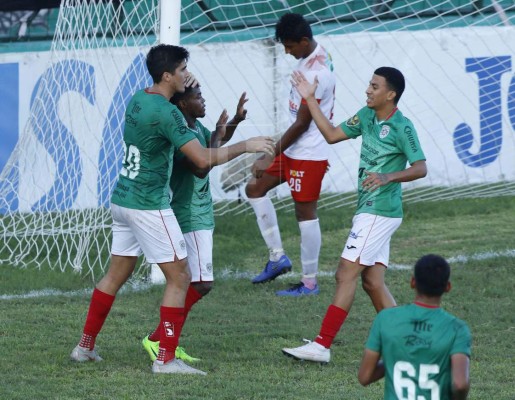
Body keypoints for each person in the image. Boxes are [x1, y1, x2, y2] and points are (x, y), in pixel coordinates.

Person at [70, 44, 274, 375]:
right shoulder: (168, 114)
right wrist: (245, 145)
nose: (187, 76)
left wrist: (182, 86)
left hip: (122, 199)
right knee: (181, 277)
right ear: (168, 76)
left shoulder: (140, 98)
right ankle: (165, 359)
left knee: (114, 276)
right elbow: (201, 160)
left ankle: (84, 347)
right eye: (182, 71)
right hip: (148, 206)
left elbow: (176, 107)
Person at [282, 66, 427, 362]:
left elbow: (420, 167)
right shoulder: (366, 115)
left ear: (391, 94)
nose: (368, 90)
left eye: (375, 87)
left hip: (379, 211)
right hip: (370, 209)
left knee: (344, 273)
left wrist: (387, 177)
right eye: (369, 85)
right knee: (372, 282)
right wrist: (311, 99)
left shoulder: (403, 126)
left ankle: (322, 345)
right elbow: (333, 135)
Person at [141, 84, 248, 362]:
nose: (203, 100)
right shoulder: (180, 137)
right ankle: (159, 339)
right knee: (200, 284)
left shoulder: (195, 129)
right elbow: (201, 166)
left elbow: (215, 143)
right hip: (189, 214)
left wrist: (234, 122)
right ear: (182, 104)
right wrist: (224, 139)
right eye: (197, 97)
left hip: (200, 213)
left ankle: (165, 339)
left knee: (195, 282)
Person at [246, 13, 336, 296]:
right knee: (255, 188)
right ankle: (277, 258)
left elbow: (302, 123)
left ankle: (309, 282)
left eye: (289, 46)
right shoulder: (312, 57)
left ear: (304, 41)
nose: (286, 51)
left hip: (308, 152)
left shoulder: (316, 73)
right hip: (297, 147)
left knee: (305, 212)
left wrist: (269, 154)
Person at [358, 254, 471, 400]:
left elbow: (364, 377)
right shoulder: (457, 328)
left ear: (413, 282)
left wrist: (395, 359)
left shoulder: (385, 319)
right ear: (447, 287)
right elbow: (460, 384)